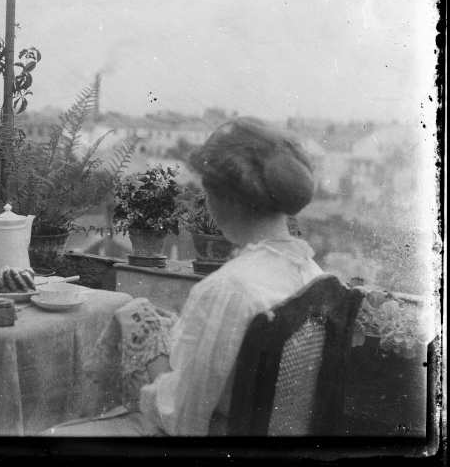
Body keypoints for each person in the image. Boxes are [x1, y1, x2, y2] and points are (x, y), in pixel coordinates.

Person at [45, 116, 323, 436]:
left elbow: (181, 418)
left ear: (223, 200)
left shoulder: (228, 289)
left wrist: (152, 359)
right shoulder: (313, 274)